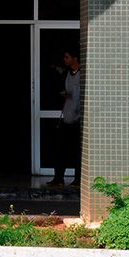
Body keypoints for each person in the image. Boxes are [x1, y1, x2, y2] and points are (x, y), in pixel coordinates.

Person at [47, 48, 82, 188]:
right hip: (66, 116)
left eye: (67, 57)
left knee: (76, 151)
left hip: (77, 118)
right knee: (60, 148)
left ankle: (78, 179)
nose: (65, 60)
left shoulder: (82, 75)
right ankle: (58, 178)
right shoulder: (66, 74)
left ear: (75, 58)